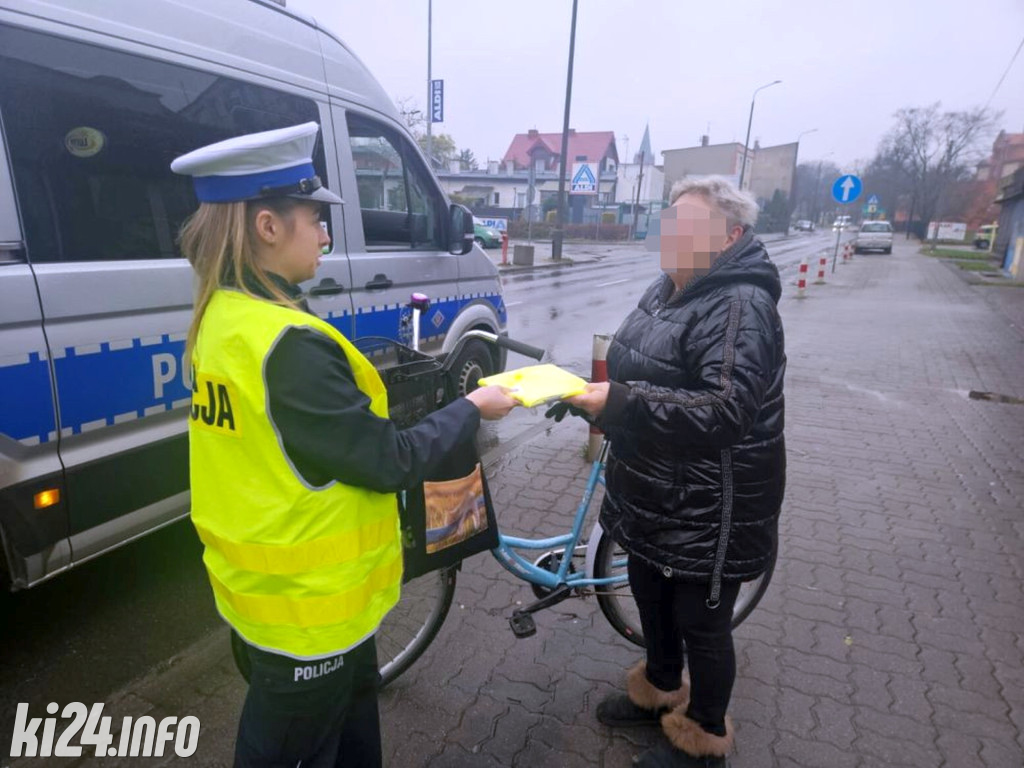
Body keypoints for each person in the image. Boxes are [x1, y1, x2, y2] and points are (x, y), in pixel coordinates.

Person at [171, 122, 517, 768]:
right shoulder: (290, 347)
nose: (326, 234)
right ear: (268, 227)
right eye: (313, 217)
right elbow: (390, 460)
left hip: (280, 610)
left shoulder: (221, 317)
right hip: (310, 628)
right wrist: (474, 406)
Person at [564, 177, 785, 768]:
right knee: (650, 594)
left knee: (702, 623)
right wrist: (587, 393)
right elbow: (636, 368)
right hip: (651, 488)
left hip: (713, 505)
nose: (671, 234)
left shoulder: (740, 305)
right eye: (670, 221)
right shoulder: (669, 288)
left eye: (689, 224)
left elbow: (725, 411)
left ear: (731, 236)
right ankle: (659, 688)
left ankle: (703, 732)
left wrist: (617, 403)